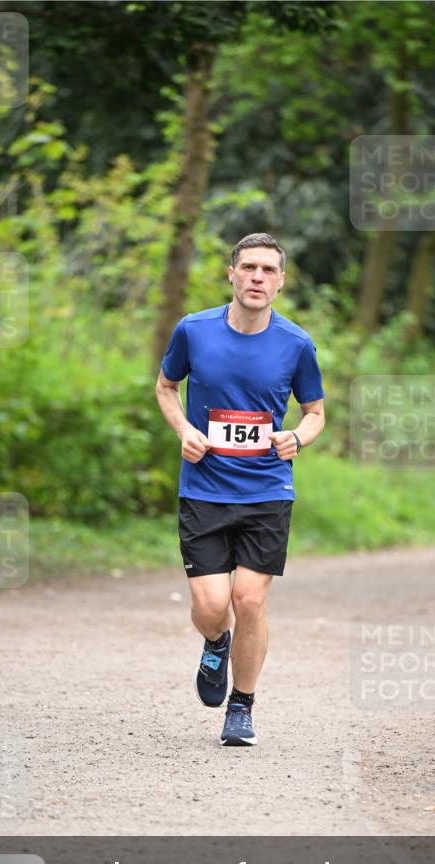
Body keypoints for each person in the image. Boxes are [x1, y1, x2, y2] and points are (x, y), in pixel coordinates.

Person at [155, 233, 325, 747]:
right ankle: (214, 642)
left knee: (249, 599)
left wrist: (296, 436)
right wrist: (184, 430)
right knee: (212, 606)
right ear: (231, 274)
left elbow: (315, 413)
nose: (257, 277)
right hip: (204, 489)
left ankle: (242, 707)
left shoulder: (296, 343)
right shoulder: (194, 330)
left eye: (268, 270)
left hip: (267, 490)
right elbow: (166, 387)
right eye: (248, 267)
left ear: (280, 281)